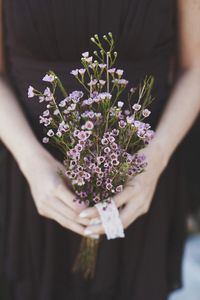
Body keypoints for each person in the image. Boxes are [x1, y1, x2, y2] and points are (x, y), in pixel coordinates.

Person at [0, 0, 199, 299]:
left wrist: (154, 160)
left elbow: (195, 67)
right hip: (35, 182)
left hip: (144, 182)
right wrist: (31, 161)